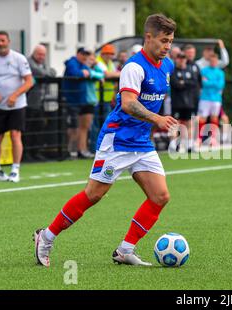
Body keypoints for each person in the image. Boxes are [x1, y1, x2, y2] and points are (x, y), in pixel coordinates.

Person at [34, 14, 178, 267]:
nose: (167, 46)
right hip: (118, 140)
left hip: (141, 143)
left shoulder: (167, 66)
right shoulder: (134, 67)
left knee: (160, 196)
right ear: (149, 37)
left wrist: (158, 122)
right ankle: (46, 236)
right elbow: (129, 103)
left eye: (170, 41)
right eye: (163, 40)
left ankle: (125, 250)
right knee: (94, 195)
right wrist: (157, 119)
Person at [0, 31, 34, 183]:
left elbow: (29, 81)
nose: (0, 44)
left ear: (8, 41)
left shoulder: (18, 58)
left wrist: (14, 95)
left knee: (15, 135)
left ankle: (15, 170)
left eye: (2, 41)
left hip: (17, 105)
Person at [26, 44, 56, 161]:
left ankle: (36, 152)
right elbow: (40, 72)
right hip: (29, 102)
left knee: (38, 127)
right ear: (34, 53)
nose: (41, 56)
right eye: (39, 54)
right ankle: (27, 153)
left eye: (43, 54)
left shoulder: (43, 64)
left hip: (40, 103)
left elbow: (52, 72)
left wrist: (46, 71)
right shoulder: (28, 62)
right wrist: (46, 71)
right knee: (28, 129)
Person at [62, 47, 94, 159]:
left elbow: (90, 73)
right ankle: (71, 151)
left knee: (82, 126)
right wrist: (83, 73)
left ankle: (81, 150)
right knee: (73, 127)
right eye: (83, 54)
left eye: (87, 54)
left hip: (81, 100)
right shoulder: (72, 62)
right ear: (78, 54)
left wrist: (85, 72)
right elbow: (75, 73)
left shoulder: (82, 63)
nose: (85, 57)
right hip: (72, 100)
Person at [170, 52, 199, 152]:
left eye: (183, 58)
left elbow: (194, 83)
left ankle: (189, 146)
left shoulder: (190, 70)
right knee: (175, 124)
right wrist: (185, 82)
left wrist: (183, 82)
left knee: (189, 124)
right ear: (176, 59)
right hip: (177, 103)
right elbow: (176, 84)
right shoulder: (173, 71)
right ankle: (173, 145)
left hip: (189, 103)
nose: (181, 60)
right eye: (179, 58)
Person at [197, 54, 225, 146]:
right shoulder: (204, 71)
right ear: (209, 61)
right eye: (212, 61)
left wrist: (210, 82)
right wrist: (213, 83)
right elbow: (204, 84)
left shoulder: (220, 72)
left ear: (217, 62)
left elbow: (220, 85)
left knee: (214, 118)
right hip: (205, 98)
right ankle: (199, 139)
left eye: (215, 61)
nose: (213, 62)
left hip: (216, 99)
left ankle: (213, 138)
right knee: (202, 118)